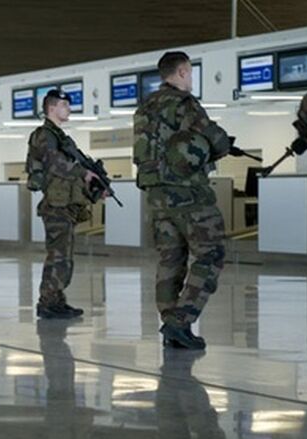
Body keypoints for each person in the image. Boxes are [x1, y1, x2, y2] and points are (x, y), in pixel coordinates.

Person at [133, 51, 230, 350]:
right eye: (190, 72)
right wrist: (223, 143)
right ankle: (180, 321)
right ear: (183, 71)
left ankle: (169, 323)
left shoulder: (145, 107)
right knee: (210, 253)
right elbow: (216, 140)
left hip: (156, 195)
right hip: (188, 193)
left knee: (170, 258)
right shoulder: (185, 103)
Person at [24, 89, 91, 319]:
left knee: (63, 256)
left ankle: (56, 300)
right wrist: (84, 173)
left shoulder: (59, 136)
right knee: (58, 257)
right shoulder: (44, 135)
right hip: (55, 205)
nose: (69, 109)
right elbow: (55, 164)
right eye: (64, 105)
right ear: (51, 108)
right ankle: (47, 303)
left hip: (64, 205)